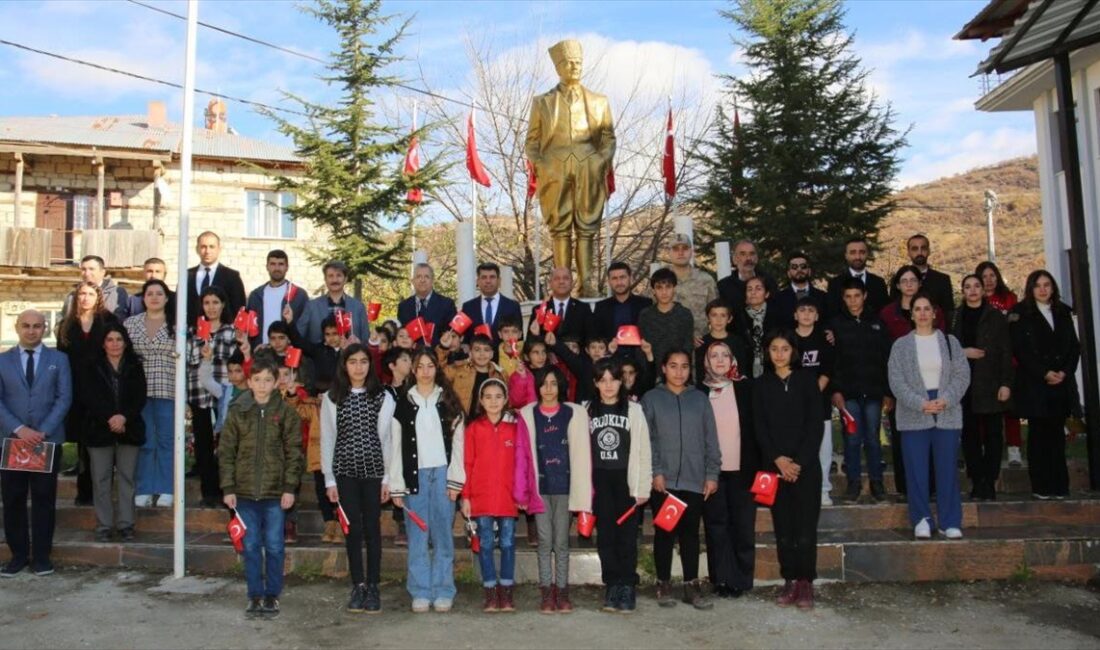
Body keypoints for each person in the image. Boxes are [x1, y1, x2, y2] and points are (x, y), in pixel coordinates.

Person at [525, 38, 616, 297]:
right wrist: (543, 164)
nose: (575, 67)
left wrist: (600, 159)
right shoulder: (542, 102)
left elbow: (608, 137)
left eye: (578, 62)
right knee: (560, 229)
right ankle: (562, 284)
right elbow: (532, 142)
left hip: (589, 167)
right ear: (558, 67)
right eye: (569, 63)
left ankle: (587, 283)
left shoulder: (599, 101)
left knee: (587, 229)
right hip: (554, 170)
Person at [220, 359, 303, 619]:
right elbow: (226, 451)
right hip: (244, 493)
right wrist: (228, 487)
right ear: (249, 382)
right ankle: (254, 595)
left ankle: (272, 595)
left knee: (275, 546)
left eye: (268, 380)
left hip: (275, 493)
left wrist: (289, 487)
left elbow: (294, 453)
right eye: (257, 380)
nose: (262, 385)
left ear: (276, 382)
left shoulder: (286, 413)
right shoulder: (238, 410)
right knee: (251, 545)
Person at [389, 347, 467, 613]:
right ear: (413, 369)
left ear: (437, 368)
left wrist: (455, 479)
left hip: (443, 474)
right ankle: (420, 590)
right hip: (415, 477)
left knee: (443, 535)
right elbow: (395, 446)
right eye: (420, 366)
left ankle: (444, 589)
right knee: (417, 536)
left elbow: (459, 444)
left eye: (430, 366)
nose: (425, 372)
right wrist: (396, 485)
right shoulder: (403, 403)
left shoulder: (448, 401)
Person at [642, 349, 720, 610]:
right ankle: (663, 583)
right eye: (673, 366)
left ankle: (690, 585)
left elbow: (711, 439)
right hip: (664, 482)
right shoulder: (651, 399)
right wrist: (656, 471)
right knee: (664, 533)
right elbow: (647, 439)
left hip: (694, 480)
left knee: (690, 534)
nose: (679, 371)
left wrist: (712, 474)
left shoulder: (700, 399)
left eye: (684, 366)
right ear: (663, 368)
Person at [888, 295, 970, 539]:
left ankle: (950, 521)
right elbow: (896, 381)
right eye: (917, 309)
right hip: (914, 412)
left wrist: (946, 399)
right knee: (916, 470)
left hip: (946, 410)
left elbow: (962, 375)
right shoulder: (900, 346)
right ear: (911, 314)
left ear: (934, 313)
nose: (922, 313)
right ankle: (921, 519)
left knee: (947, 469)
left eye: (927, 309)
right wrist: (920, 403)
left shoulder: (950, 342)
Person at [321, 345, 394, 613]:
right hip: (345, 473)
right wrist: (329, 480)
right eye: (353, 362)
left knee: (373, 530)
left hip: (374, 472)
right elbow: (328, 438)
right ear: (344, 365)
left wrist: (387, 478)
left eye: (364, 361)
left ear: (370, 365)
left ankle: (373, 585)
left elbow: (387, 440)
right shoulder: (332, 397)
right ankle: (358, 585)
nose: (359, 367)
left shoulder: (383, 396)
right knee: (352, 530)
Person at [753, 331, 824, 609]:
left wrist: (798, 463)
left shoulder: (807, 381)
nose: (779, 354)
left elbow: (815, 425)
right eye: (774, 348)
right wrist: (778, 460)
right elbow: (759, 427)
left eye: (785, 348)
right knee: (783, 528)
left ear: (793, 351)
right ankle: (790, 580)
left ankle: (805, 582)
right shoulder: (761, 385)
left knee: (805, 529)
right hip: (774, 469)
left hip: (805, 468)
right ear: (767, 352)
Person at [0, 310, 72, 578]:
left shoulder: (59, 359)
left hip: (46, 440)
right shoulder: (2, 360)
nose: (31, 330)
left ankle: (42, 557)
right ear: (17, 327)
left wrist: (42, 431)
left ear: (46, 329)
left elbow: (64, 398)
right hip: (12, 441)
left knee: (44, 499)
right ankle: (18, 556)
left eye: (37, 326)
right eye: (26, 325)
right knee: (13, 499)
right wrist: (20, 430)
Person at [513, 366, 587, 613]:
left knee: (562, 541)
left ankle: (562, 591)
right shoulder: (528, 415)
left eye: (553, 383)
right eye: (544, 383)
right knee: (544, 541)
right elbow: (521, 456)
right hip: (540, 489)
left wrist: (585, 490)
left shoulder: (573, 413)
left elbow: (582, 454)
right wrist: (522, 491)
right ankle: (546, 591)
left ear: (560, 386)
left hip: (565, 487)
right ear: (537, 387)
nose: (548, 389)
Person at [583, 359, 652, 612]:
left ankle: (627, 585)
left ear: (621, 381)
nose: (608, 385)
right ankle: (612, 584)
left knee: (627, 536)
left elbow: (644, 450)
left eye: (613, 379)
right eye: (603, 380)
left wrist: (642, 487)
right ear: (595, 383)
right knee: (606, 535)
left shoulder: (634, 410)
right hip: (600, 480)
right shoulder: (587, 410)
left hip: (626, 480)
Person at [1009, 270, 1080, 500]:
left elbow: (1074, 347)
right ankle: (1041, 486)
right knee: (1039, 436)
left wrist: (1064, 372)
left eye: (1046, 285)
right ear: (1030, 288)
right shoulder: (1020, 313)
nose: (1042, 289)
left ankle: (1059, 486)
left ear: (1053, 288)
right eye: (1037, 285)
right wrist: (1044, 373)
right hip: (1035, 384)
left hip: (1061, 383)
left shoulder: (1063, 312)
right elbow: (1020, 349)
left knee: (1057, 435)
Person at [880, 265, 946, 497]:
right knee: (903, 440)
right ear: (898, 285)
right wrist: (889, 390)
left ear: (920, 284)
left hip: (932, 385)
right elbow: (883, 352)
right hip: (900, 386)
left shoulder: (934, 311)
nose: (909, 284)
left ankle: (933, 487)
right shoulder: (887, 313)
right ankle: (906, 488)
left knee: (932, 439)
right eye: (904, 281)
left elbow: (942, 345)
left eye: (913, 280)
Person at [699, 341, 758, 599]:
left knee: (742, 527)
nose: (720, 360)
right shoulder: (699, 392)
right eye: (714, 355)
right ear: (706, 361)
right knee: (716, 527)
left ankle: (741, 580)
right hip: (711, 474)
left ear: (733, 360)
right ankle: (721, 579)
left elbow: (757, 428)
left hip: (743, 470)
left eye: (725, 355)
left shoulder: (746, 388)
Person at [80, 322, 146, 542]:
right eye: (110, 340)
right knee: (101, 479)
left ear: (125, 343)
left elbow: (139, 397)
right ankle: (104, 526)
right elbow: (88, 397)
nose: (114, 344)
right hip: (99, 429)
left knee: (127, 478)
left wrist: (123, 417)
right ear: (103, 343)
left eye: (119, 339)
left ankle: (127, 525)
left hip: (129, 428)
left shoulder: (135, 365)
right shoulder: (91, 366)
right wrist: (109, 417)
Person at [830, 277, 894, 502]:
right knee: (852, 438)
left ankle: (877, 482)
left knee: (873, 438)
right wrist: (836, 391)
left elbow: (886, 359)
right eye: (848, 297)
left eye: (857, 296)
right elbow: (833, 361)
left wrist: (888, 392)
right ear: (843, 298)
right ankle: (853, 482)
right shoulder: (836, 324)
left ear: (864, 296)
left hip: (874, 391)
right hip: (848, 393)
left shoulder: (877, 323)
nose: (853, 301)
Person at [56, 281, 119, 506]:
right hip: (76, 390)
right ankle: (84, 492)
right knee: (82, 442)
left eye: (90, 294)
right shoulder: (67, 325)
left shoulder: (109, 321)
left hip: (103, 388)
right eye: (81, 293)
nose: (85, 298)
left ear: (98, 297)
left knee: (103, 441)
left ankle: (103, 491)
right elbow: (62, 358)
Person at [953, 275, 1013, 501]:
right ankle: (977, 481)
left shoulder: (995, 316)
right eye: (968, 286)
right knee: (970, 436)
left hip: (990, 382)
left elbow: (1006, 351)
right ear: (962, 291)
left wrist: (1006, 383)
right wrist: (964, 352)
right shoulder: (955, 317)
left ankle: (990, 480)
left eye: (976, 286)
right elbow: (947, 348)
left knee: (993, 435)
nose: (973, 290)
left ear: (983, 289)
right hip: (964, 384)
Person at [461, 379, 520, 613]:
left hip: (507, 497)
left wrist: (521, 492)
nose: (493, 401)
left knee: (508, 543)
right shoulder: (474, 429)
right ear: (481, 400)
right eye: (488, 397)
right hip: (481, 497)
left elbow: (522, 464)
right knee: (485, 544)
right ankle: (490, 592)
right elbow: (467, 463)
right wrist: (466, 496)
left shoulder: (515, 429)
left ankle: (506, 591)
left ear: (505, 400)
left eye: (498, 396)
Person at [124, 280, 176, 509]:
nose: (154, 297)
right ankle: (144, 488)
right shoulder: (130, 324)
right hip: (138, 392)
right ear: (143, 298)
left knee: (167, 440)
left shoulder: (178, 324)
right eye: (150, 293)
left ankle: (166, 488)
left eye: (159, 293)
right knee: (145, 440)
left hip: (168, 389)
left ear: (167, 298)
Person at [186, 286, 238, 508]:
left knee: (225, 445)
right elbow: (187, 362)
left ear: (223, 304)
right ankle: (208, 492)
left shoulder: (232, 331)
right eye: (207, 303)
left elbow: (236, 362)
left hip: (223, 394)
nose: (211, 307)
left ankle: (226, 491)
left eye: (215, 302)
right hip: (198, 394)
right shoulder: (193, 332)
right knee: (203, 444)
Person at [976, 260, 1024, 468]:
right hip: (985, 362)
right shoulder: (977, 300)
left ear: (998, 277)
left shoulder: (1009, 298)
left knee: (1009, 407)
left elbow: (1015, 326)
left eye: (992, 275)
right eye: (984, 276)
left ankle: (1014, 447)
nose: (988, 280)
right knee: (984, 407)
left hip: (1008, 359)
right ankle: (984, 445)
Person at [791, 297, 836, 506]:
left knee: (823, 449)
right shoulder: (788, 339)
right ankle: (798, 488)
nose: (806, 314)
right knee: (795, 447)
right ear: (795, 315)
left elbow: (827, 371)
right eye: (802, 310)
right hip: (793, 403)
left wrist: (811, 395)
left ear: (817, 316)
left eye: (811, 310)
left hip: (819, 403)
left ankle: (823, 489)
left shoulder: (824, 339)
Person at [637, 267, 694, 380]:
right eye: (659, 287)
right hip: (652, 375)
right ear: (653, 290)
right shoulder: (645, 315)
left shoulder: (684, 314)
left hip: (678, 375)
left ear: (674, 288)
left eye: (668, 287)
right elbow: (642, 349)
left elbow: (687, 348)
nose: (664, 292)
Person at [246, 249, 310, 347]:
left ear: (287, 267)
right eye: (273, 264)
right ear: (267, 267)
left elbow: (305, 327)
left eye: (281, 264)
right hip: (262, 351)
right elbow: (249, 326)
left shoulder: (299, 295)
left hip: (289, 351)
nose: (277, 268)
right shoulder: (256, 295)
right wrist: (254, 346)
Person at [658, 233, 717, 339]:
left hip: (700, 342)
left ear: (691, 251)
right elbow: (651, 313)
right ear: (669, 252)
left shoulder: (706, 280)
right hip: (668, 343)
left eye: (685, 248)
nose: (680, 253)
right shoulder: (659, 280)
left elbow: (716, 313)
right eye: (675, 249)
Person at [297, 260, 370, 345]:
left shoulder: (358, 307)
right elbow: (298, 336)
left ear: (345, 279)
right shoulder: (311, 306)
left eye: (339, 275)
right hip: (319, 353)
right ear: (325, 279)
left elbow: (366, 340)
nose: (335, 280)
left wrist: (359, 344)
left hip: (350, 353)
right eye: (330, 276)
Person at [437, 331, 506, 416]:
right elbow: (439, 373)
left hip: (488, 422)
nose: (482, 354)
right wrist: (443, 348)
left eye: (486, 350)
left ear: (492, 354)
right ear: (470, 353)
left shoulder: (500, 376)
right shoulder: (459, 369)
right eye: (477, 350)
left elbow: (506, 403)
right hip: (461, 420)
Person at [186, 231, 246, 323]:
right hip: (191, 330)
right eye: (203, 247)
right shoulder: (186, 276)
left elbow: (239, 309)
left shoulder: (232, 277)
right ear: (197, 249)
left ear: (219, 249)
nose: (207, 251)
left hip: (222, 330)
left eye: (211, 247)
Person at [459, 263, 523, 346]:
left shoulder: (512, 306)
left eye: (492, 277)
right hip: (477, 354)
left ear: (499, 280)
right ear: (478, 281)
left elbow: (519, 339)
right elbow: (465, 339)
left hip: (504, 354)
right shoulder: (468, 307)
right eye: (484, 277)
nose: (488, 281)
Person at [735, 277, 784, 379]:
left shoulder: (778, 315)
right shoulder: (737, 317)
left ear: (767, 294)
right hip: (746, 371)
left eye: (758, 289)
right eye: (749, 289)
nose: (753, 292)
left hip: (774, 369)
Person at [826, 237, 889, 316]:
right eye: (853, 252)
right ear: (846, 255)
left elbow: (884, 313)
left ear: (867, 254)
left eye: (862, 252)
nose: (858, 257)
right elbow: (832, 313)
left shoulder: (878, 283)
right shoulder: (835, 284)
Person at [397, 263, 457, 347]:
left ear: (432, 280)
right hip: (410, 353)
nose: (422, 280)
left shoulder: (447, 304)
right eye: (418, 277)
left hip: (438, 352)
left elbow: (452, 334)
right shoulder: (403, 306)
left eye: (426, 277)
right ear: (412, 281)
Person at [529, 266, 594, 344]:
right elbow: (530, 344)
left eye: (566, 278)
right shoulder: (540, 309)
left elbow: (590, 341)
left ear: (572, 283)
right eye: (557, 278)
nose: (561, 281)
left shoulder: (583, 309)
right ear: (550, 283)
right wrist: (537, 336)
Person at [592, 262, 652, 341]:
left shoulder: (646, 304)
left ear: (630, 279)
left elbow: (651, 333)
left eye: (622, 277)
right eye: (614, 278)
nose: (619, 282)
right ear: (609, 282)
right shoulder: (601, 307)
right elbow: (596, 338)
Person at [716, 239, 779, 315]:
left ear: (756, 258)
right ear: (734, 259)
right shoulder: (724, 286)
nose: (748, 258)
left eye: (752, 254)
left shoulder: (769, 282)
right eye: (743, 254)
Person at [62, 255, 130, 321]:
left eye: (91, 269)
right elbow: (63, 319)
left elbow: (119, 320)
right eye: (83, 269)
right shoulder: (72, 296)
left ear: (103, 272)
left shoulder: (117, 293)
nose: (87, 273)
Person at [906, 234, 955, 325]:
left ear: (929, 251)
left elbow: (948, 312)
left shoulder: (943, 280)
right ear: (908, 252)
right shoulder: (900, 280)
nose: (919, 252)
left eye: (923, 248)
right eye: (915, 249)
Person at [772, 252, 830, 327]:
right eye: (794, 267)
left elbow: (828, 322)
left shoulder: (823, 297)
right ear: (788, 273)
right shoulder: (778, 299)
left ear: (809, 271)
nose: (799, 269)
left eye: (803, 266)